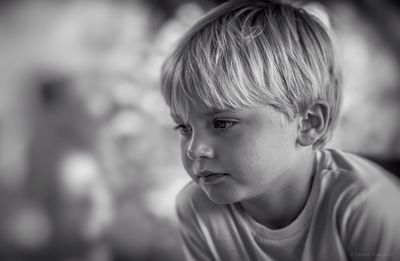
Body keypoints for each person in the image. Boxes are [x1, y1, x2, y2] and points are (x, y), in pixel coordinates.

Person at [160, 1, 400, 260]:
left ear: (309, 123)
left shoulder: (366, 206)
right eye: (184, 127)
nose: (195, 150)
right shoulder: (197, 208)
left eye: (222, 123)